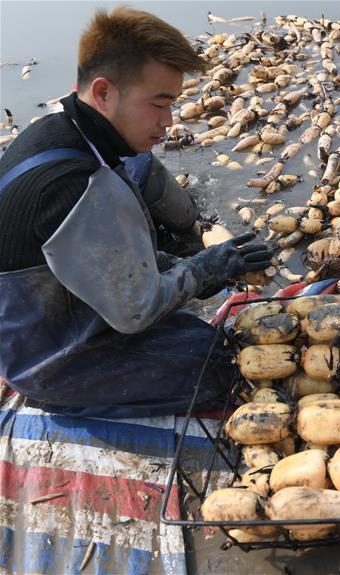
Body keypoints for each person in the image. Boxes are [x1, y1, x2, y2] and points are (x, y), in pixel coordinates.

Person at [0, 8, 273, 417]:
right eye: (158, 104)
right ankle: (55, 397)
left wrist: (188, 263)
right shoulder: (76, 187)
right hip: (48, 354)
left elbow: (109, 254)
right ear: (104, 91)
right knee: (217, 362)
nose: (169, 122)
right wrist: (204, 270)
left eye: (173, 104)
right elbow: (136, 311)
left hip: (63, 294)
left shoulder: (65, 126)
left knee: (141, 165)